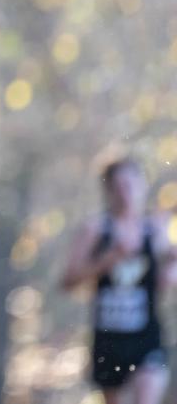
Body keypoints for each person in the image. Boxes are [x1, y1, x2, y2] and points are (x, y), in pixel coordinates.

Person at [61, 157, 177, 404]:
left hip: (147, 337)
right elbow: (68, 281)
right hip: (109, 339)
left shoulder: (153, 230)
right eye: (120, 186)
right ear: (109, 190)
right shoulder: (96, 229)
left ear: (143, 186)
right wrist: (109, 259)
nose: (127, 193)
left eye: (132, 184)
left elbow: (167, 276)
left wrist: (170, 267)